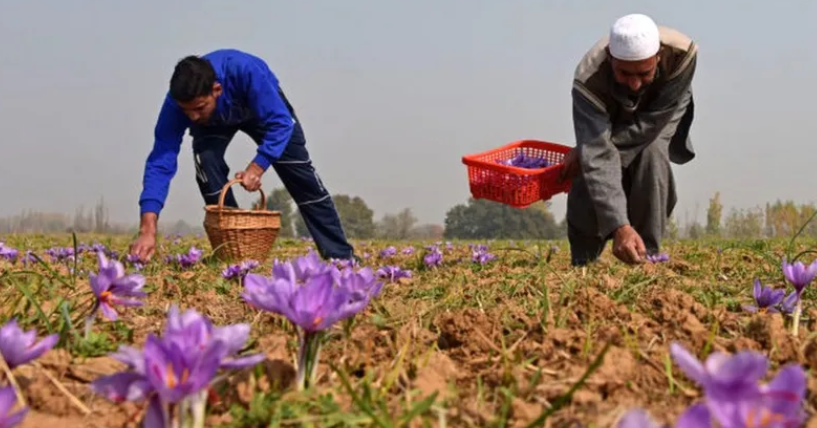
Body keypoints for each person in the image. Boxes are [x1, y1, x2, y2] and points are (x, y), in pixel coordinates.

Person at [129, 49, 355, 262]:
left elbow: (281, 123)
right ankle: (234, 254)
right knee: (206, 164)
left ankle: (340, 256)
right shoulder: (177, 105)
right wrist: (147, 228)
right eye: (186, 111)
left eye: (199, 107)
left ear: (216, 90)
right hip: (215, 123)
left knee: (302, 178)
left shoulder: (246, 72)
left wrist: (257, 167)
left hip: (265, 115)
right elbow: (161, 161)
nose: (193, 117)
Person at [559, 13, 697, 266]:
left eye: (644, 73)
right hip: (610, 113)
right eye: (624, 73)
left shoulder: (681, 56)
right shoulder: (588, 80)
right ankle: (584, 255)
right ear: (611, 58)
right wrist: (593, 153)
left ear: (657, 58)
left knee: (651, 151)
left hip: (661, 109)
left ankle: (647, 254)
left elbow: (649, 125)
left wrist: (589, 151)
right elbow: (601, 156)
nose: (634, 84)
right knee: (594, 164)